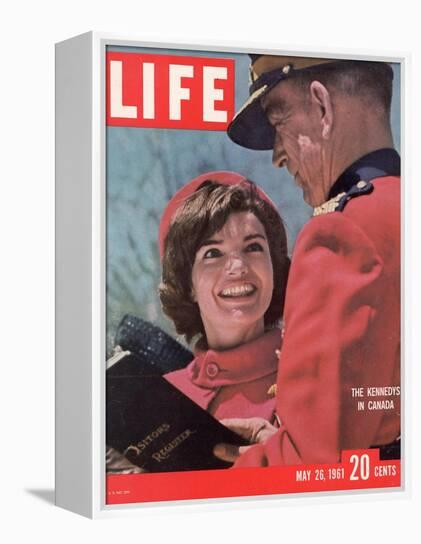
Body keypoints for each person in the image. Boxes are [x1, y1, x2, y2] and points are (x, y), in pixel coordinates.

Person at [214, 55, 401, 466]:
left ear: (321, 107)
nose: (277, 156)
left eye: (278, 124)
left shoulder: (342, 233)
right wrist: (284, 435)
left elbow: (314, 466)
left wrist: (204, 472)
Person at [158, 171, 290, 426]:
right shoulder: (161, 398)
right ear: (188, 284)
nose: (238, 267)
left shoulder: (313, 371)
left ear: (274, 267)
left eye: (253, 247)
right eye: (213, 253)